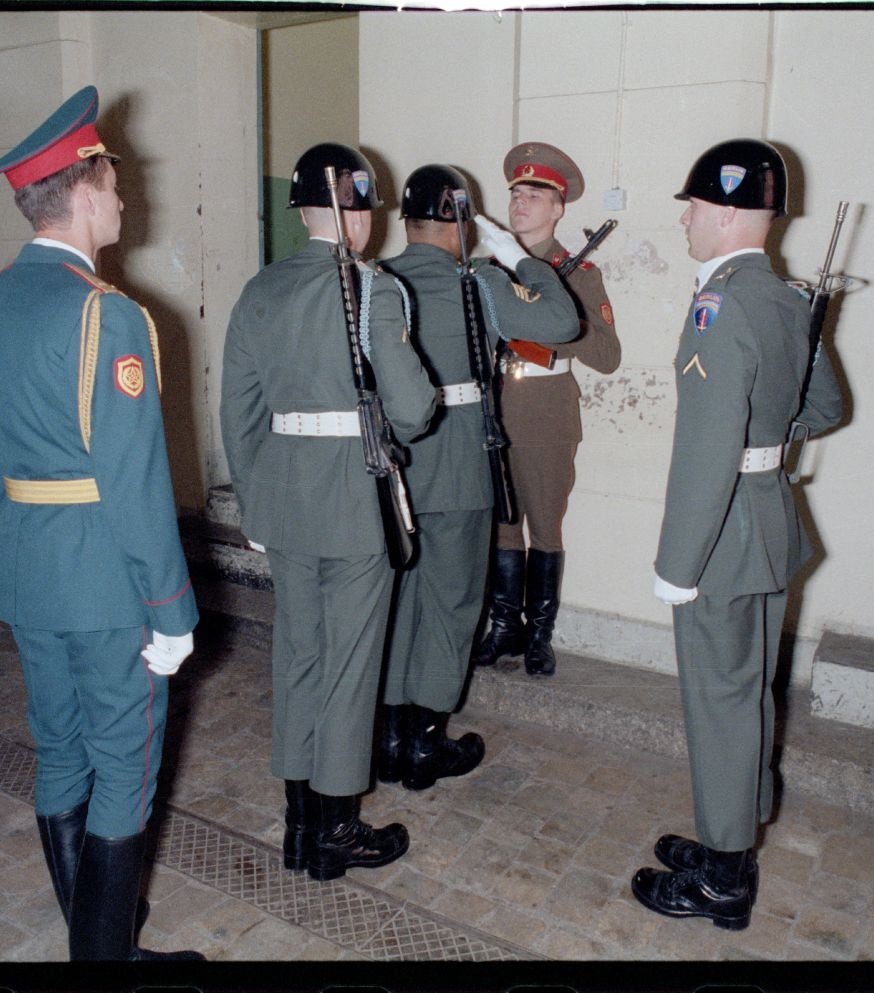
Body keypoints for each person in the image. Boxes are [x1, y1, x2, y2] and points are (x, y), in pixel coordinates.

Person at [0, 86, 203, 961]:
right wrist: (170, 610)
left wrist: (17, 549)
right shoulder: (106, 313)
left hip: (27, 572)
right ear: (86, 188)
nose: (125, 200)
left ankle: (102, 946)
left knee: (59, 753)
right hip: (107, 585)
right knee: (124, 772)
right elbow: (133, 485)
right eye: (116, 183)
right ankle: (106, 962)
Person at [630, 139, 843, 931]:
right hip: (768, 519)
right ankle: (735, 839)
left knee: (719, 700)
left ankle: (723, 880)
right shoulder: (785, 298)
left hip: (720, 535)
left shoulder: (717, 303)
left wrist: (675, 563)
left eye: (691, 205)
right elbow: (823, 408)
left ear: (723, 212)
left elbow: (707, 448)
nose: (684, 218)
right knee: (747, 692)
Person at [220, 143, 436, 880]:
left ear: (303, 211)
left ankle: (296, 825)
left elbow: (239, 412)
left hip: (284, 497)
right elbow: (413, 406)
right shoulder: (375, 289)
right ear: (361, 212)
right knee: (349, 664)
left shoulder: (260, 290)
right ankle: (335, 830)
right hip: (352, 497)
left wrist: (255, 502)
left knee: (298, 656)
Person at [377, 165, 579, 790]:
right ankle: (423, 745)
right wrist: (517, 255)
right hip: (460, 463)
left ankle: (385, 737)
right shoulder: (480, 283)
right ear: (464, 223)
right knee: (453, 603)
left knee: (398, 603)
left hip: (391, 464)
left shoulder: (371, 281)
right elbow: (561, 323)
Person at [472, 141, 622, 678]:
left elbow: (607, 356)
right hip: (492, 411)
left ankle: (539, 635)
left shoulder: (576, 274)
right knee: (502, 527)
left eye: (535, 194)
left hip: (546, 416)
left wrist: (564, 312)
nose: (521, 202)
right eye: (516, 192)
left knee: (545, 529)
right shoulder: (486, 267)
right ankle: (504, 628)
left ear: (558, 208)